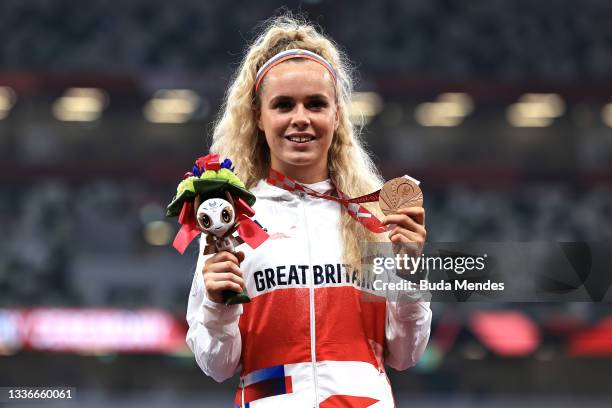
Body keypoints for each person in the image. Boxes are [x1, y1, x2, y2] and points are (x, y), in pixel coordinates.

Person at [186, 15, 432, 408]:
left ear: (336, 115)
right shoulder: (230, 220)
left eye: (315, 104)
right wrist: (217, 307)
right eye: (283, 105)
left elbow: (406, 354)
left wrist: (410, 273)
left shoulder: (375, 220)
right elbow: (218, 365)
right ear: (258, 118)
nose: (300, 118)